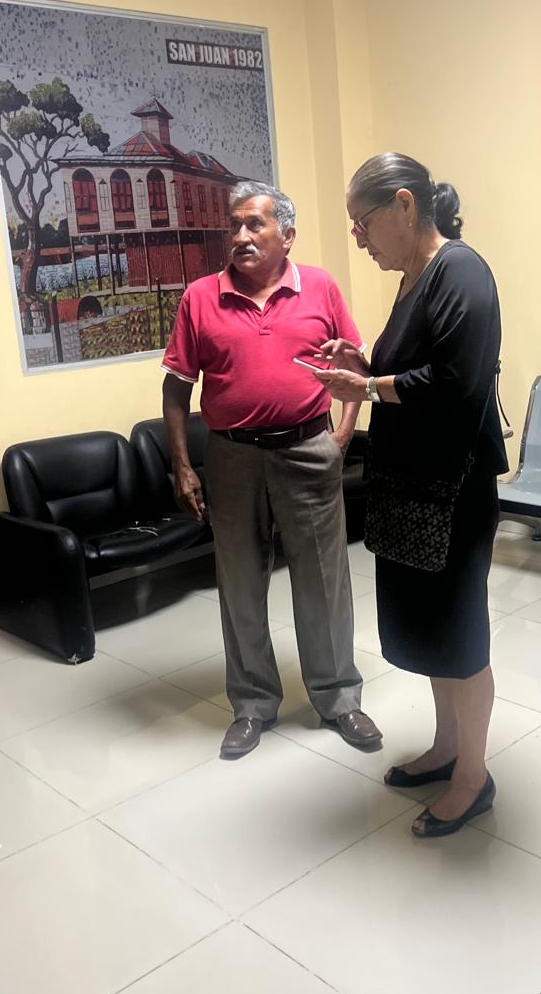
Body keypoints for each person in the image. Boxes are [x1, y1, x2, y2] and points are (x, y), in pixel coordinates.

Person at [315, 153, 507, 838]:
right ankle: (447, 747)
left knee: (460, 633)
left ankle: (473, 778)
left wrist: (367, 388)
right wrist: (363, 365)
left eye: (362, 223)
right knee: (431, 632)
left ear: (403, 204)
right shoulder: (413, 280)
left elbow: (454, 382)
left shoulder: (462, 271)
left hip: (451, 493)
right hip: (411, 490)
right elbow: (410, 373)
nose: (359, 239)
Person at [161, 180, 383, 761]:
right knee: (239, 582)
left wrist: (342, 431)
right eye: (233, 225)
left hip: (308, 449)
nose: (240, 236)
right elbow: (176, 389)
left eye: (254, 224)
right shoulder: (200, 298)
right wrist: (182, 465)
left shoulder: (321, 287)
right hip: (231, 457)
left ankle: (338, 698)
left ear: (287, 235)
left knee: (324, 581)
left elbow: (355, 365)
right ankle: (253, 705)